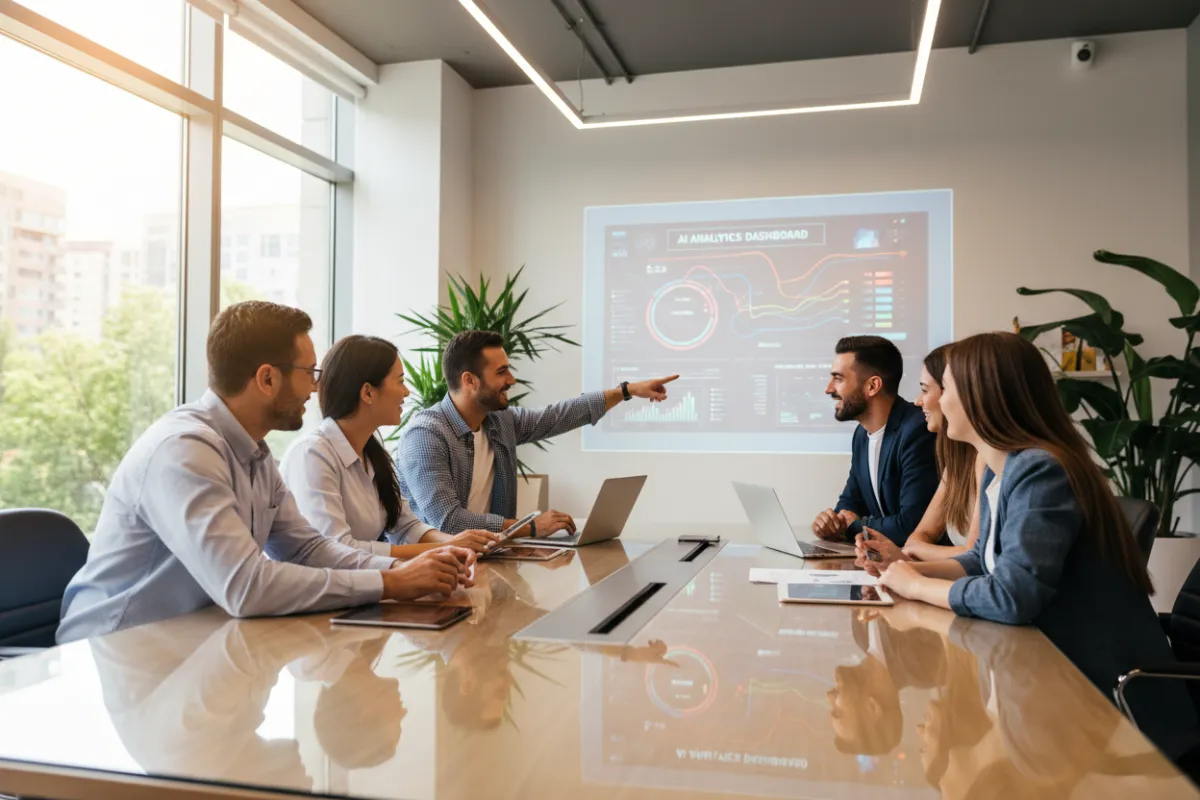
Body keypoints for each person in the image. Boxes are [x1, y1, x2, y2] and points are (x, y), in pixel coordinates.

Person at [58, 301, 474, 644]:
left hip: (191, 639)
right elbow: (246, 586)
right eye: (309, 373)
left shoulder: (253, 452)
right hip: (113, 651)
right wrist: (391, 584)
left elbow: (309, 549)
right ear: (267, 378)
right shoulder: (185, 450)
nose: (316, 389)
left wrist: (401, 572)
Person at [876, 331, 1195, 756]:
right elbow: (980, 560)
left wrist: (916, 587)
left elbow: (1012, 595)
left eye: (944, 388)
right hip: (1061, 680)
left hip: (1110, 702)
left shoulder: (1041, 470)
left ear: (981, 395)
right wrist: (902, 573)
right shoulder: (1000, 470)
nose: (928, 402)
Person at [397, 330, 678, 535]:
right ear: (469, 380)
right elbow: (447, 521)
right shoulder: (426, 435)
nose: (511, 380)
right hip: (441, 567)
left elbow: (558, 416)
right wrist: (528, 527)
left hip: (490, 555)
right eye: (502, 372)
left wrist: (626, 392)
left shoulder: (498, 422)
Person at [281, 335, 503, 559]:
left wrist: (455, 542)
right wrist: (443, 548)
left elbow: (406, 526)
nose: (406, 392)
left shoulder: (372, 453)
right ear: (367, 392)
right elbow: (337, 549)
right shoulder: (313, 453)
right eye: (400, 381)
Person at [855, 345, 985, 569]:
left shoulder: (990, 460)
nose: (917, 401)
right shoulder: (958, 460)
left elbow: (974, 556)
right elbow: (918, 536)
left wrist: (909, 555)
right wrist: (900, 555)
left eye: (925, 390)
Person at [811, 335, 940, 547]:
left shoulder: (917, 430)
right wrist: (831, 523)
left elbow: (911, 525)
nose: (829, 388)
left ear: (872, 386)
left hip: (920, 568)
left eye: (839, 378)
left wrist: (853, 527)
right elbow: (851, 502)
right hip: (881, 563)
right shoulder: (862, 435)